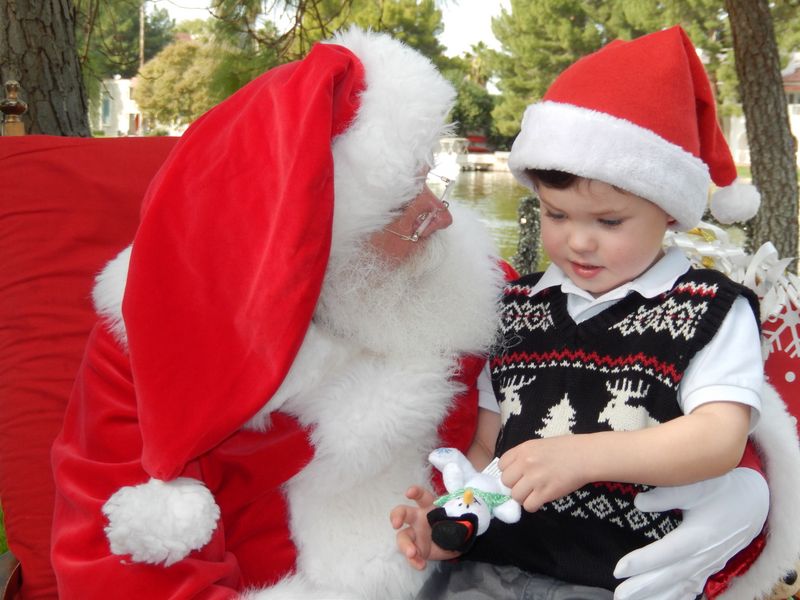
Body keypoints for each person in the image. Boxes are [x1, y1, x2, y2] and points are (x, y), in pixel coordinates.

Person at [50, 26, 789, 600]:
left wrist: (751, 496)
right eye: (405, 207)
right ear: (309, 245)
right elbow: (117, 561)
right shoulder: (145, 344)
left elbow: (650, 382)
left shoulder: (473, 290)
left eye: (431, 185)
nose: (441, 218)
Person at [392, 26, 800, 600]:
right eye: (557, 216)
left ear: (670, 213)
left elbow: (718, 438)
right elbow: (490, 453)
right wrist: (449, 526)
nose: (579, 242)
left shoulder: (709, 308)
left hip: (627, 580)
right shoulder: (517, 309)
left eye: (608, 222)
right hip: (492, 570)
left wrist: (581, 456)